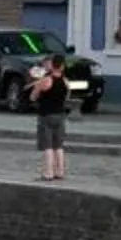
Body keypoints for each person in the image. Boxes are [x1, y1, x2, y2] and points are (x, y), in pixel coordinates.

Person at [29, 52, 71, 181]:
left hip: (46, 115)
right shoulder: (65, 81)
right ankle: (60, 172)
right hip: (60, 115)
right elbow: (67, 97)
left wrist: (37, 86)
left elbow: (33, 96)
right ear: (62, 66)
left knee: (48, 146)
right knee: (59, 146)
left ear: (52, 65)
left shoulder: (46, 80)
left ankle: (49, 172)